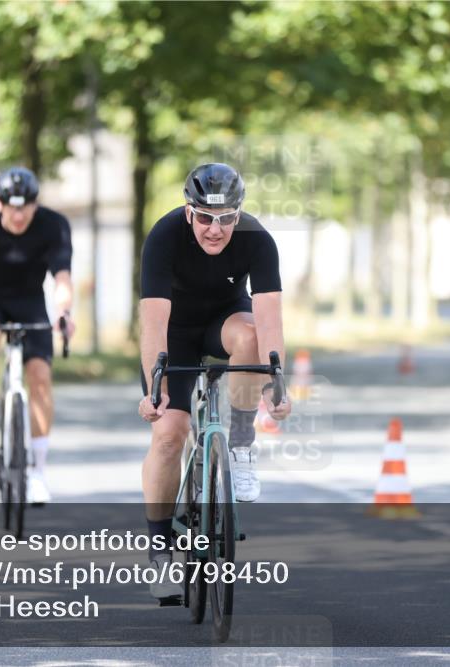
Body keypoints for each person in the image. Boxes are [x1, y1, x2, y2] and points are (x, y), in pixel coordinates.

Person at [137, 163, 291, 600]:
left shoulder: (258, 239)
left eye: (226, 218)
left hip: (225, 319)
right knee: (169, 435)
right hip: (173, 332)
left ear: (238, 214)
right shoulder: (164, 236)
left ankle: (240, 444)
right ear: (189, 212)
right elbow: (152, 324)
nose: (215, 229)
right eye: (205, 217)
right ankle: (160, 551)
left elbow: (269, 318)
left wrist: (275, 383)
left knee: (251, 337)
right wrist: (156, 389)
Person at [0, 167, 74, 505]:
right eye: (11, 207)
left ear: (36, 205)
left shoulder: (53, 225)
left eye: (26, 207)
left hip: (30, 302)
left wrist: (64, 313)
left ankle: (37, 472)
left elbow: (62, 277)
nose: (19, 215)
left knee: (39, 378)